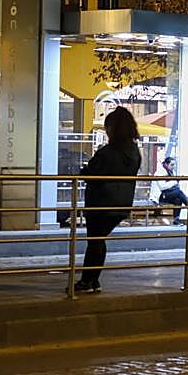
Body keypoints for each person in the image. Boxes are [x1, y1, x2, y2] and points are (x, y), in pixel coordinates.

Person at [76, 107, 141, 294]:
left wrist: (84, 172)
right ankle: (93, 280)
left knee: (95, 241)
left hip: (101, 201)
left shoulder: (108, 152)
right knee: (99, 241)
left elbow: (94, 173)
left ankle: (88, 280)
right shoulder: (134, 151)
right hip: (121, 202)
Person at [154, 156, 188, 225]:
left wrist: (176, 183)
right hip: (161, 195)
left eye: (174, 165)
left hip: (168, 194)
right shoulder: (159, 172)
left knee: (178, 199)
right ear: (166, 164)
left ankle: (176, 220)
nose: (173, 166)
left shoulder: (171, 172)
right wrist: (175, 182)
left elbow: (173, 183)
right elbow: (162, 187)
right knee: (179, 193)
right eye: (172, 165)